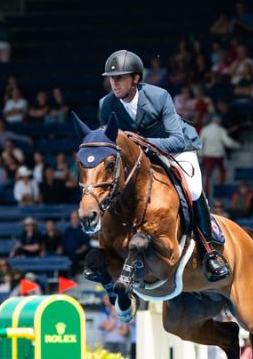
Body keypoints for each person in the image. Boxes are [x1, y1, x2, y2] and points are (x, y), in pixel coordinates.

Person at [97, 49, 228, 282]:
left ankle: (210, 250)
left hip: (175, 148)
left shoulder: (159, 96)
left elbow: (176, 138)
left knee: (194, 189)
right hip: (139, 157)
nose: (114, 83)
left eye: (120, 78)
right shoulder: (106, 105)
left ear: (135, 79)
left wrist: (140, 143)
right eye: (111, 78)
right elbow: (111, 145)